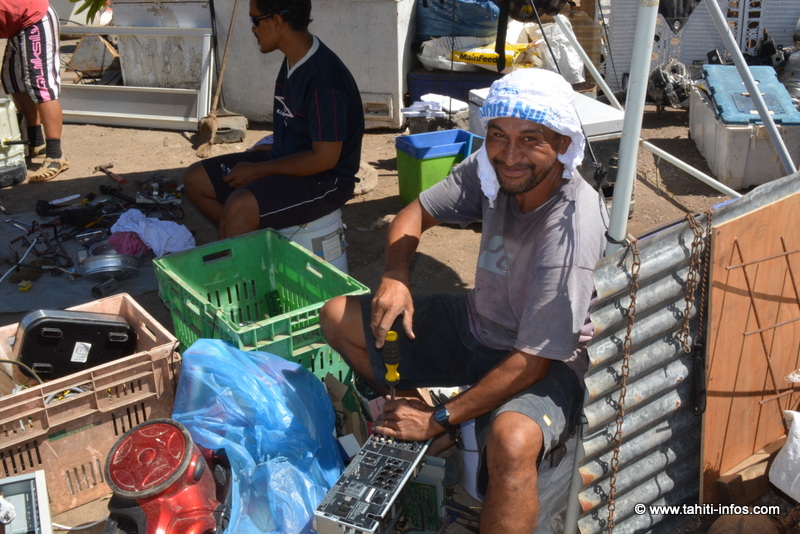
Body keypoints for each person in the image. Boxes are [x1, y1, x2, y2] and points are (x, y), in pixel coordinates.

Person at [320, 68, 608, 533]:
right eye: (498, 136)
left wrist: (439, 418)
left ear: (560, 142)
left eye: (530, 139)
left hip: (547, 359)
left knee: (511, 441)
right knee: (339, 316)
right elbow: (415, 212)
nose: (509, 155)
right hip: (478, 323)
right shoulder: (492, 170)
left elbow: (532, 363)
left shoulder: (572, 226)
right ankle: (426, 422)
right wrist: (395, 275)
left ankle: (437, 424)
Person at [183, 0, 364, 239]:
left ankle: (238, 254)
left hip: (326, 180)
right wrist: (278, 147)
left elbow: (325, 158)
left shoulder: (324, 79)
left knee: (240, 205)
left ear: (277, 20)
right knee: (196, 179)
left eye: (255, 20)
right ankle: (252, 242)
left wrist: (260, 170)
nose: (253, 29)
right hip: (290, 158)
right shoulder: (293, 59)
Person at [1, 0, 70, 182]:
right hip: (16, 25)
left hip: (34, 19)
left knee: (41, 86)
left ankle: (55, 156)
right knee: (14, 81)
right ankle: (35, 142)